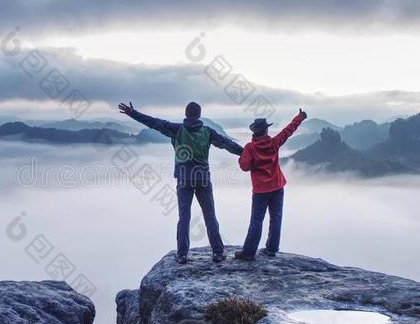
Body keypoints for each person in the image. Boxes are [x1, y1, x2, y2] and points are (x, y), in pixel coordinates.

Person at [118, 101, 243, 264]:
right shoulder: (208, 132)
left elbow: (153, 122)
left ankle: (182, 254)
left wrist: (132, 113)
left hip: (184, 179)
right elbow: (228, 144)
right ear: (199, 115)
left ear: (186, 114)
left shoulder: (177, 130)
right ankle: (218, 252)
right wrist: (247, 152)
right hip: (203, 179)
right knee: (210, 215)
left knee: (184, 216)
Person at [235, 109, 307, 261]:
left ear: (255, 132)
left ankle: (248, 253)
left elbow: (245, 166)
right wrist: (300, 117)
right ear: (266, 130)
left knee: (256, 220)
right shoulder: (274, 143)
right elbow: (288, 131)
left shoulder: (250, 148)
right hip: (277, 186)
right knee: (276, 217)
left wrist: (241, 158)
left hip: (261, 190)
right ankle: (272, 249)